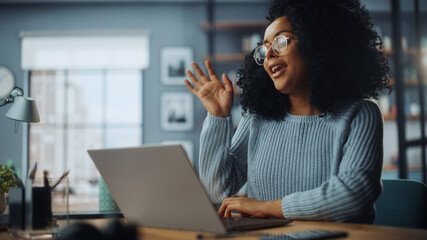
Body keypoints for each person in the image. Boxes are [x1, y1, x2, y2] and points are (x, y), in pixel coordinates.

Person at [184, 0, 390, 223]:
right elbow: (218, 191)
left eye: (281, 41)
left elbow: (351, 197)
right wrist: (217, 117)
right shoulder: (256, 118)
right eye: (263, 48)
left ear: (318, 43)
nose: (269, 54)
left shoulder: (360, 114)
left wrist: (267, 208)